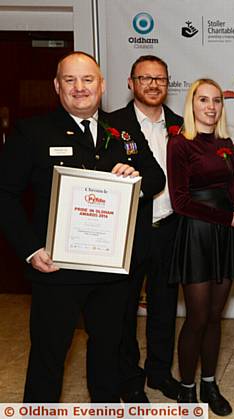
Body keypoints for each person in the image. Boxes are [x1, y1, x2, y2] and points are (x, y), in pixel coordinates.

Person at [0, 51, 165, 402]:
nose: (80, 88)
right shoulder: (32, 132)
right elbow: (5, 195)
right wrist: (30, 250)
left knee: (107, 355)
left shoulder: (122, 131)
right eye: (70, 80)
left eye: (88, 79)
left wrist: (135, 176)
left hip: (110, 272)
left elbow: (156, 176)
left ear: (102, 85)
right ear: (57, 86)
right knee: (49, 357)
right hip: (55, 268)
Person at [166, 78, 234, 416]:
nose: (211, 106)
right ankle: (187, 388)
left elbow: (232, 195)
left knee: (215, 317)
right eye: (203, 100)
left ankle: (210, 383)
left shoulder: (227, 143)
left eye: (216, 100)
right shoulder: (180, 143)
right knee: (197, 317)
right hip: (198, 234)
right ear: (192, 104)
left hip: (223, 235)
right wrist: (228, 218)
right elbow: (180, 202)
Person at [110, 55, 184, 402]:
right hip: (127, 232)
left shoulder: (184, 126)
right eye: (145, 78)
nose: (154, 84)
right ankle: (129, 378)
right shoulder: (111, 126)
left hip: (170, 229)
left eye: (161, 79)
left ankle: (159, 372)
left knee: (165, 307)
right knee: (123, 310)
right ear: (131, 82)